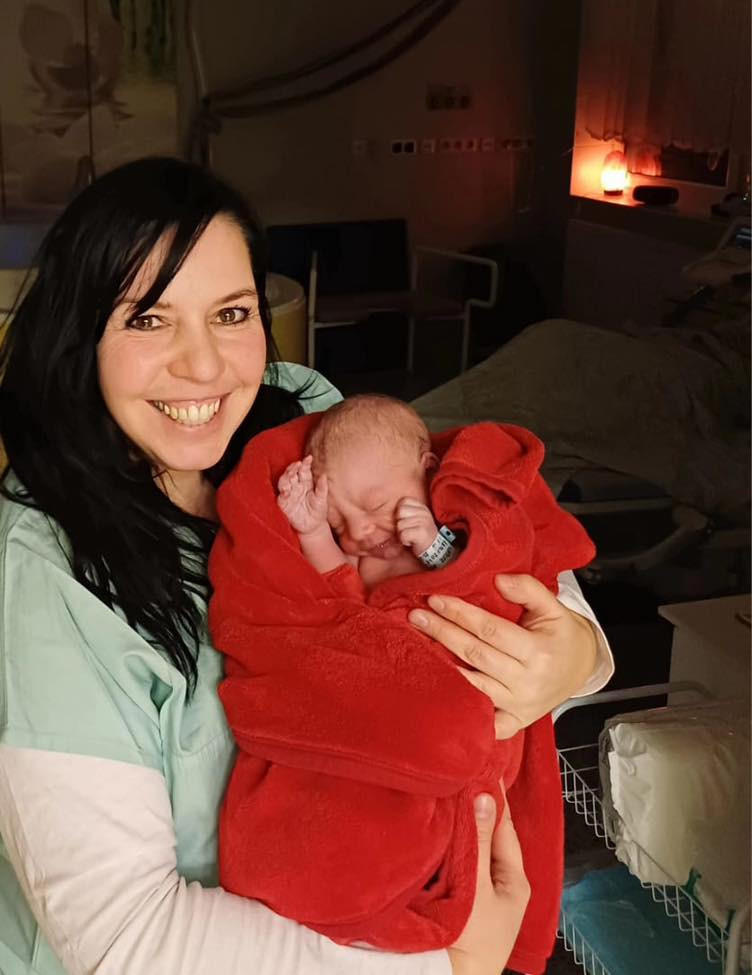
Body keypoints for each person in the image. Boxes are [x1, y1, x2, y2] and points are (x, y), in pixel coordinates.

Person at [0, 157, 612, 975]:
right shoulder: (47, 571)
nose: (204, 366)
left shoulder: (302, 419)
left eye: (231, 312)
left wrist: (577, 653)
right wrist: (438, 965)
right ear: (81, 336)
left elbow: (493, 534)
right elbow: (124, 935)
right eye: (148, 319)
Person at [209, 394, 595, 974]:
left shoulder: (444, 530)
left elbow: (485, 575)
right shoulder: (359, 551)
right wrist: (313, 530)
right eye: (342, 522)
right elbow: (336, 595)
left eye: (376, 506)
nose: (363, 531)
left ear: (428, 470)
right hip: (384, 701)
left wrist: (436, 545)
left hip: (467, 701)